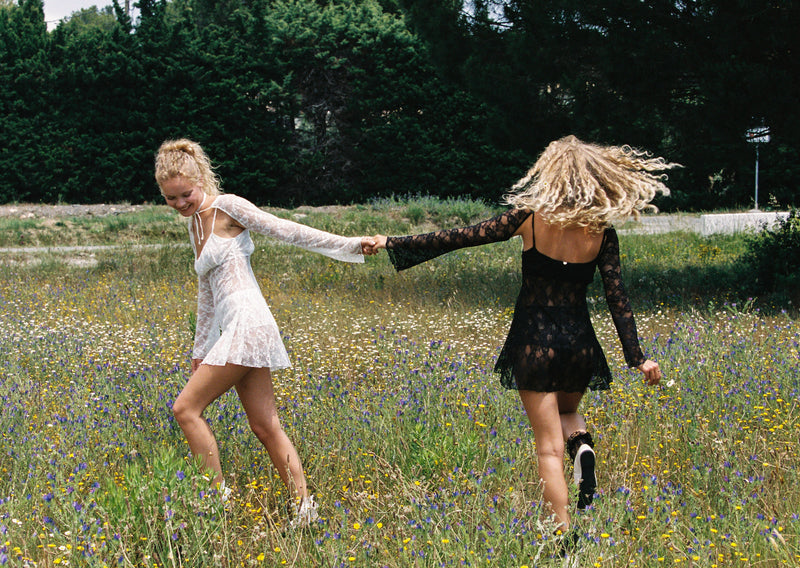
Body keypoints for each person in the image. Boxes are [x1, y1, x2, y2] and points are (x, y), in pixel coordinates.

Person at [369, 135, 670, 538]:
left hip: (534, 345)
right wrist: (638, 358)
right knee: (566, 417)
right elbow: (618, 299)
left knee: (548, 449)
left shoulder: (529, 218)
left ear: (553, 175)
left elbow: (459, 237)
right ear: (596, 179)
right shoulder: (602, 232)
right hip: (579, 347)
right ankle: (582, 444)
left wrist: (392, 242)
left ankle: (564, 541)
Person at [155, 138, 376, 528]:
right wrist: (200, 348)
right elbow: (206, 292)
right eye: (170, 198)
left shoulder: (229, 207)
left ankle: (214, 500)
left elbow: (288, 230)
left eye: (185, 194)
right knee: (264, 425)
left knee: (185, 409)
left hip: (249, 323)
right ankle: (305, 510)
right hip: (234, 330)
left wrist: (351, 245)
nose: (180, 204)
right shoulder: (194, 226)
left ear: (199, 179)